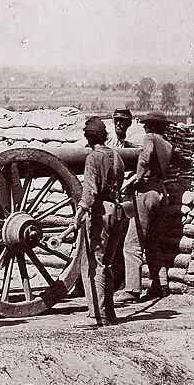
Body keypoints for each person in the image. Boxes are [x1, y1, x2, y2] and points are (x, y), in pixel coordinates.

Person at [71, 116, 127, 327]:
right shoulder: (116, 157)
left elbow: (90, 191)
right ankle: (109, 314)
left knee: (94, 264)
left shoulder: (93, 158)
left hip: (100, 212)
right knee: (108, 264)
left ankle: (96, 315)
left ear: (88, 138)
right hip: (117, 211)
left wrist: (79, 213)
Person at [116, 111, 172, 303]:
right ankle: (161, 285)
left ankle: (132, 289)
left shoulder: (150, 138)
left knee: (132, 244)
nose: (145, 128)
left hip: (146, 192)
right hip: (161, 192)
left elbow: (145, 158)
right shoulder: (167, 144)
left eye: (146, 124)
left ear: (151, 126)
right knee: (152, 242)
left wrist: (136, 178)